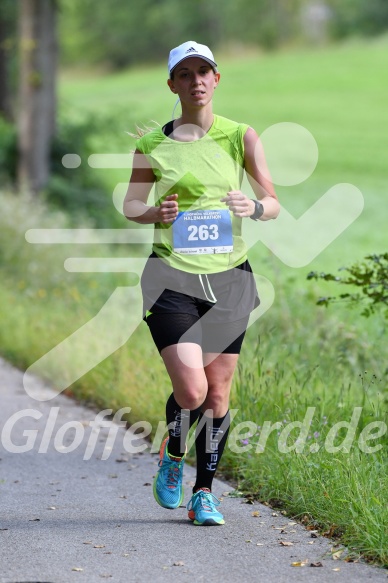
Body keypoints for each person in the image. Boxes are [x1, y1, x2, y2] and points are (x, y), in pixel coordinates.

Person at [123, 40, 279, 526]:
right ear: (172, 83)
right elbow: (131, 205)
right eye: (185, 74)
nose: (196, 81)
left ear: (216, 79)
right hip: (171, 278)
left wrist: (251, 207)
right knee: (191, 393)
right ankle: (173, 455)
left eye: (204, 72)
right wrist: (156, 211)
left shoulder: (240, 136)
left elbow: (271, 201)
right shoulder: (153, 145)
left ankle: (204, 493)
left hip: (231, 280)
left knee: (217, 394)